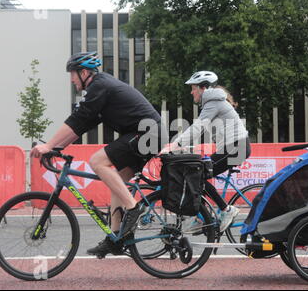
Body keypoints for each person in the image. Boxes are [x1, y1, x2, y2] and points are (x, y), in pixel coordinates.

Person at [31, 51, 165, 258]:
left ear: (84, 73)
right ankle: (115, 237)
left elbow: (78, 117)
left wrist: (48, 145)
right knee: (118, 182)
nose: (72, 80)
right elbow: (81, 125)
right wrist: (57, 148)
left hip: (147, 133)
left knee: (97, 161)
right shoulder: (101, 88)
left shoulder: (99, 85)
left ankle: (133, 207)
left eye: (73, 75)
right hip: (147, 134)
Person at [161, 71, 251, 232]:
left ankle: (225, 210)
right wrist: (183, 146)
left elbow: (197, 128)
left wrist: (173, 146)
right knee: (197, 175)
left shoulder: (213, 102)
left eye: (193, 88)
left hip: (237, 147)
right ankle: (199, 217)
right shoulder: (214, 102)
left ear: (203, 88)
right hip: (234, 146)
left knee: (198, 174)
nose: (191, 92)